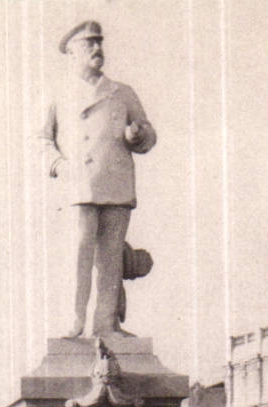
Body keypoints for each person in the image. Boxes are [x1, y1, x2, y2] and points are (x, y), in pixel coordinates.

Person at [41, 21, 156, 339]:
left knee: (110, 255)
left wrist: (137, 135)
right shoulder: (59, 94)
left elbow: (148, 134)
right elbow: (41, 139)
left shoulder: (122, 92)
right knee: (79, 251)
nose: (96, 49)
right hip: (79, 183)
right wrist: (57, 163)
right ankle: (75, 321)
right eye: (88, 44)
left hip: (116, 181)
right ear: (72, 52)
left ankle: (105, 323)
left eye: (99, 43)